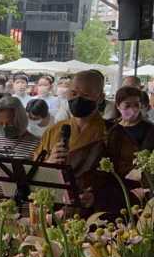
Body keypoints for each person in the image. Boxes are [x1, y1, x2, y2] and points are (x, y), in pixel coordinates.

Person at [36, 70, 131, 216]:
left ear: (100, 98)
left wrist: (97, 197)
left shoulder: (115, 134)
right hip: (54, 209)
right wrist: (49, 162)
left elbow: (130, 181)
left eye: (86, 95)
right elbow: (34, 171)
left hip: (96, 215)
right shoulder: (54, 130)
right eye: (74, 93)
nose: (78, 99)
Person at [0, 96, 40, 219]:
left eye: (9, 123)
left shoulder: (36, 143)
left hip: (22, 212)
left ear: (20, 121)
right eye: (0, 123)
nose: (4, 127)